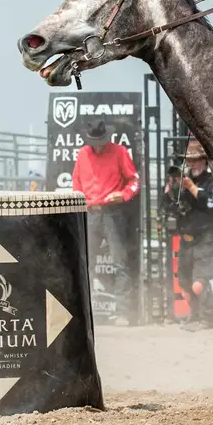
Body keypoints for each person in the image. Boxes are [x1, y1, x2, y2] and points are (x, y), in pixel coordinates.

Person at [71, 119, 140, 324]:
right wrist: (79, 198)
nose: (97, 145)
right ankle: (84, 311)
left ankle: (124, 312)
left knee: (120, 261)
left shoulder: (119, 152)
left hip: (112, 211)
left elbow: (134, 181)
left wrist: (124, 195)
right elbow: (76, 181)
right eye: (94, 141)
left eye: (100, 140)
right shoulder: (83, 154)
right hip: (90, 211)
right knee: (85, 262)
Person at [163, 138, 213, 331]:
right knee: (185, 282)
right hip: (187, 237)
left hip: (207, 236)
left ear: (204, 161)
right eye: (189, 160)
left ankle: (207, 318)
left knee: (199, 281)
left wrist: (191, 187)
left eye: (195, 160)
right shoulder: (182, 182)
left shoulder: (212, 181)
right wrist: (170, 192)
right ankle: (195, 316)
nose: (191, 164)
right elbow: (169, 208)